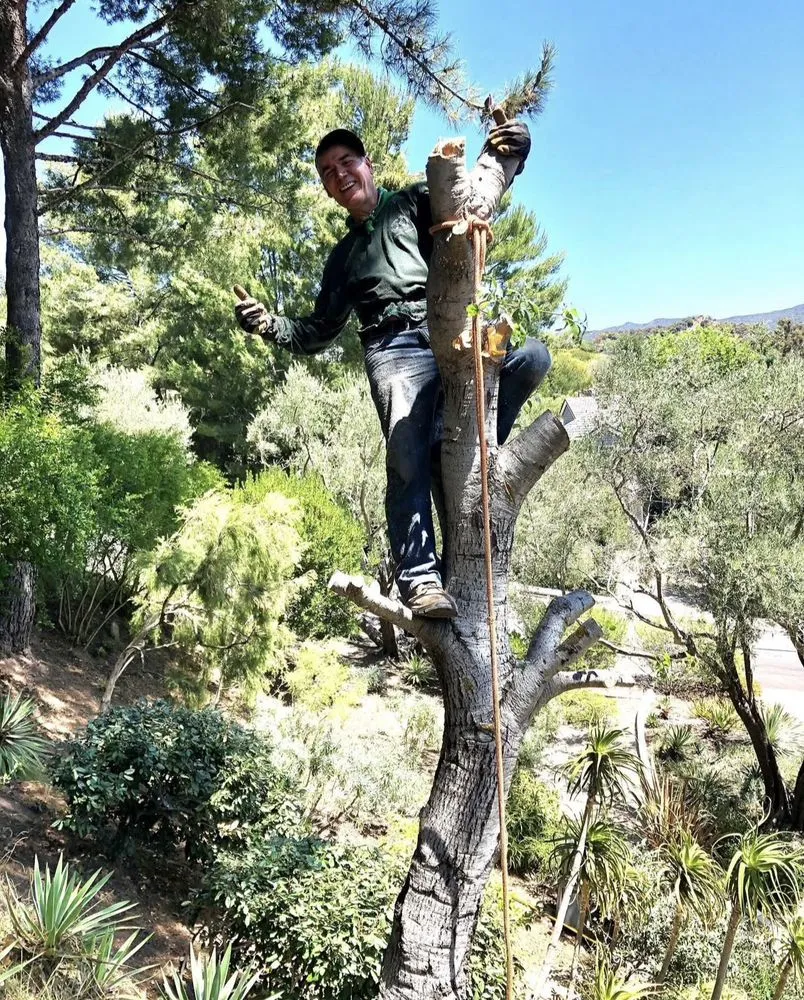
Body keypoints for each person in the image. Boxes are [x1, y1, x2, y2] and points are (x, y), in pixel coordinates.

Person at [235, 124, 551, 619]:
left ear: (368, 166)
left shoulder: (411, 202)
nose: (339, 175)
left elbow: (468, 204)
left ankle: (475, 443)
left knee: (532, 358)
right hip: (393, 347)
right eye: (326, 172)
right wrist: (268, 324)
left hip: (448, 324)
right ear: (325, 189)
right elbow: (317, 331)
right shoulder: (343, 259)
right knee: (406, 444)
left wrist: (508, 155)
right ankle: (420, 579)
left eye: (346, 163)